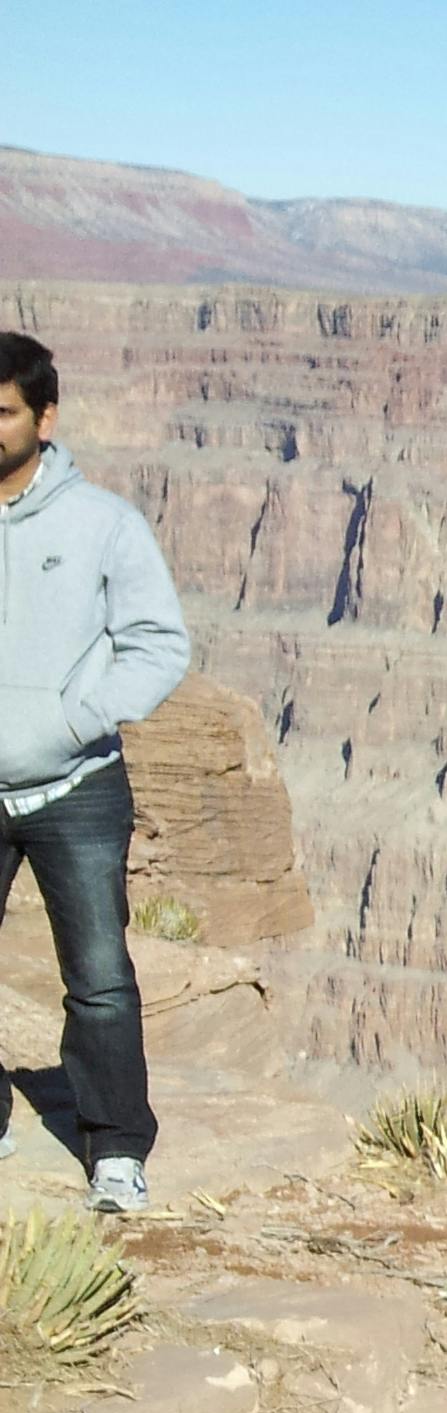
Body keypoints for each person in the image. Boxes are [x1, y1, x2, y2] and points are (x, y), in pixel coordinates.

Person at [0, 329, 192, 1213]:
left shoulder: (103, 523)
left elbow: (160, 645)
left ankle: (115, 1146)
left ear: (45, 417)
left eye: (1, 412)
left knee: (100, 975)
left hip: (75, 787)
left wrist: (75, 719)